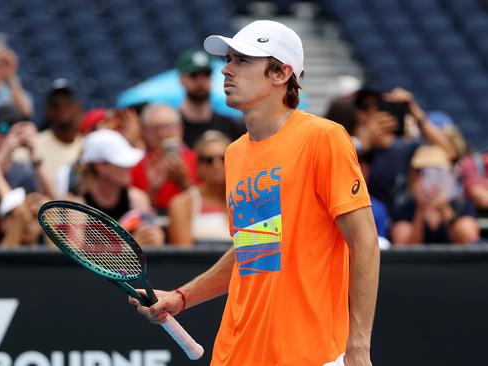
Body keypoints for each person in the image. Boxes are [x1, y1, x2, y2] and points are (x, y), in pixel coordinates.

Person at [130, 20, 379, 366]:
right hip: (237, 353)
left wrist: (359, 345)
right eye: (229, 60)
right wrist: (183, 297)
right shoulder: (235, 153)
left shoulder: (324, 138)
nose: (226, 70)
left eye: (242, 60)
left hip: (309, 355)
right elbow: (253, 247)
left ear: (281, 74)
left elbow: (364, 241)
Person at [73, 129, 164, 246]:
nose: (130, 167)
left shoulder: (138, 199)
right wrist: (128, 247)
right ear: (101, 167)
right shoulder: (77, 206)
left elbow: (150, 245)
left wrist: (156, 238)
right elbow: (76, 258)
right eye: (122, 162)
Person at [392, 145, 479, 245]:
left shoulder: (462, 205)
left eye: (437, 172)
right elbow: (404, 251)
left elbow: (470, 244)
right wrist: (420, 210)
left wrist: (446, 211)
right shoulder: (404, 206)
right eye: (422, 172)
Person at [168, 130, 231, 246]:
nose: (217, 164)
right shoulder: (182, 204)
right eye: (208, 160)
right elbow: (184, 256)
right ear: (198, 165)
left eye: (223, 158)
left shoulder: (246, 201)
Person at [131, 104, 197, 212]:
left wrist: (184, 182)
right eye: (155, 129)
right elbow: (136, 215)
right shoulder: (135, 168)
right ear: (144, 132)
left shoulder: (200, 161)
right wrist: (152, 188)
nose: (163, 133)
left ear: (180, 128)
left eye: (169, 127)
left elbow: (207, 205)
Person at [176, 49, 245, 147]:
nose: (201, 81)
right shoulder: (173, 126)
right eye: (194, 75)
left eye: (206, 74)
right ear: (181, 79)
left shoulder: (229, 125)